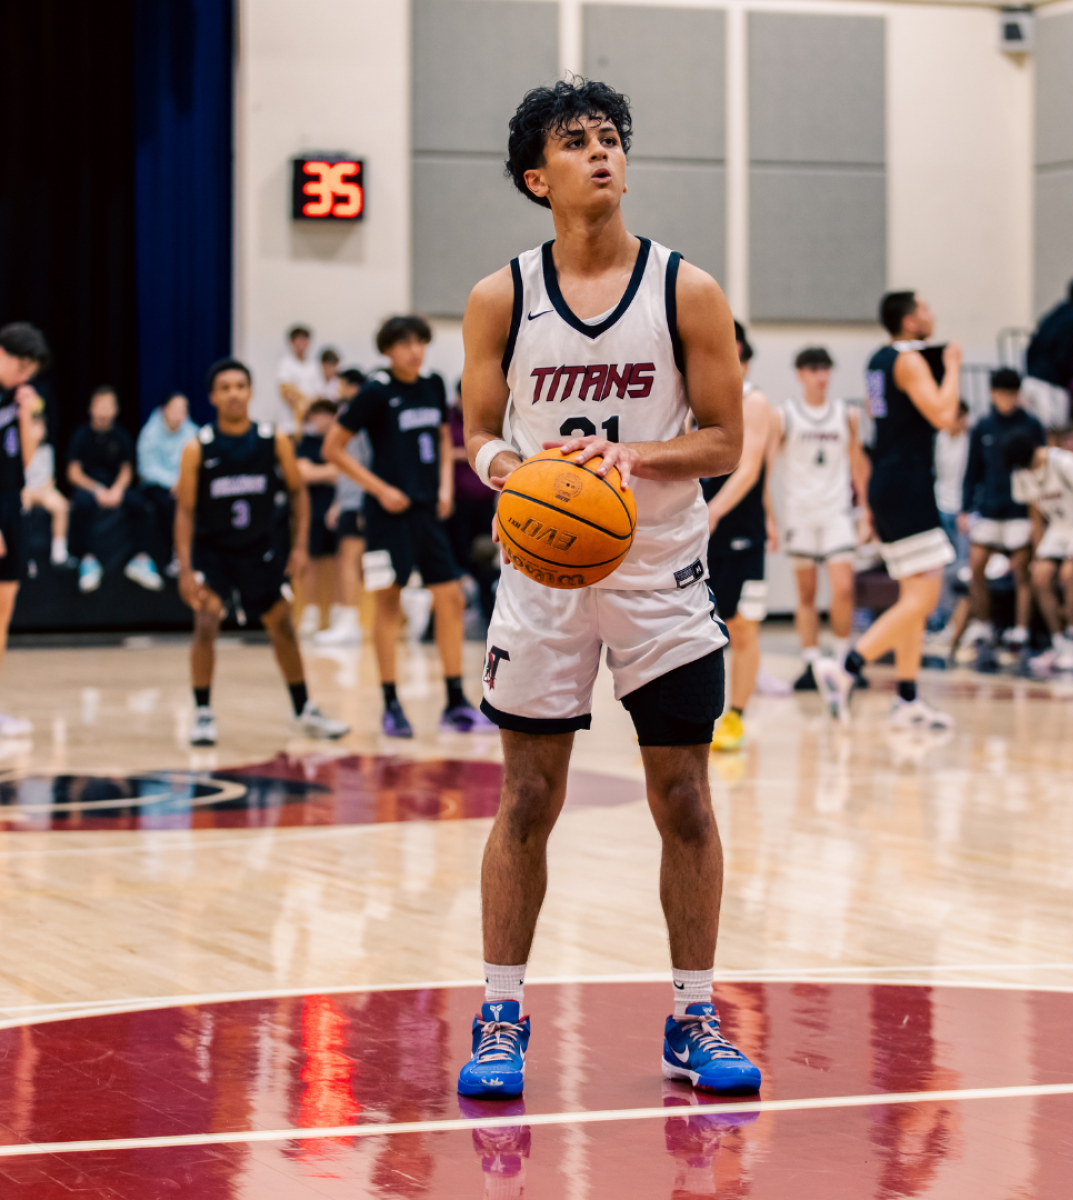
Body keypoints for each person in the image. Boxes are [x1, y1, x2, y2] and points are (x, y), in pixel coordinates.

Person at [457, 78, 760, 1098]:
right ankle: (500, 1015)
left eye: (612, 138)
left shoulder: (689, 291)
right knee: (528, 797)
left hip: (661, 579)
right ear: (537, 178)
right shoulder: (502, 296)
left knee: (683, 799)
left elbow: (726, 437)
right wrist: (519, 474)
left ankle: (693, 1015)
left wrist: (632, 462)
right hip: (541, 580)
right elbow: (480, 437)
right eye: (577, 142)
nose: (602, 153)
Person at [323, 315, 492, 736]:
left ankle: (454, 703)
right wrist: (379, 490)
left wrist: (446, 487)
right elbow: (334, 448)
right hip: (386, 517)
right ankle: (391, 705)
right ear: (387, 350)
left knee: (450, 598)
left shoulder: (433, 384)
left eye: (419, 341)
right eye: (403, 343)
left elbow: (439, 437)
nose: (413, 349)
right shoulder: (375, 392)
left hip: (425, 512)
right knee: (388, 605)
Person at [174, 358, 350, 746]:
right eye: (225, 387)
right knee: (205, 623)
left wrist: (300, 547)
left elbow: (298, 492)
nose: (234, 393)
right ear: (212, 397)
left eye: (240, 385)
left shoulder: (275, 440)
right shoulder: (197, 448)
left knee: (282, 625)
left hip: (262, 551)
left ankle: (304, 708)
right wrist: (185, 568)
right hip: (213, 552)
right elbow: (185, 510)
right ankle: (202, 713)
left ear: (251, 392)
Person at [814, 291, 960, 730]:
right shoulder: (910, 361)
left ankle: (907, 699)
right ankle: (845, 669)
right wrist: (952, 366)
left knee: (911, 595)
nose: (932, 314)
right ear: (910, 321)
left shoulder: (877, 360)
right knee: (924, 599)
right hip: (909, 483)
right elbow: (943, 416)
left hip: (890, 481)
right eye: (926, 309)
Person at [781, 346, 868, 691]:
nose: (821, 376)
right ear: (800, 374)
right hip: (800, 512)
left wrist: (868, 509)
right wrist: (770, 515)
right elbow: (767, 465)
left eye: (826, 369)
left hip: (836, 512)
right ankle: (811, 661)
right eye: (814, 369)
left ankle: (844, 658)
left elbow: (858, 462)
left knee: (844, 588)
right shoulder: (786, 414)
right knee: (807, 593)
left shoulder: (846, 414)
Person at [706, 321, 776, 753]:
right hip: (696, 528)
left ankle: (737, 716)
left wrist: (714, 511)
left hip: (737, 528)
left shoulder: (754, 402)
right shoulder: (695, 401)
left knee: (743, 627)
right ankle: (687, 718)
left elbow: (751, 469)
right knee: (692, 626)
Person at [958, 368, 1044, 653]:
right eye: (1001, 393)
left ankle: (1020, 630)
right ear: (993, 394)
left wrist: (1039, 516)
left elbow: (1041, 467)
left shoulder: (1031, 425)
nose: (1006, 399)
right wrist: (965, 507)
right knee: (975, 566)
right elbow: (972, 469)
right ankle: (982, 623)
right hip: (990, 507)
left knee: (1021, 570)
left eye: (1011, 394)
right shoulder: (983, 426)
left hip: (1021, 509)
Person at [1005, 431, 1073, 670]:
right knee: (1039, 575)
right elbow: (1035, 512)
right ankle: (1059, 641)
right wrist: (1037, 550)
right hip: (1058, 528)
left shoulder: (1064, 462)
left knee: (1068, 574)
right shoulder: (1021, 471)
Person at [0, 323, 50, 735]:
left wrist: (27, 415)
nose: (25, 375)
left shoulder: (19, 398)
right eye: (21, 364)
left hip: (11, 507)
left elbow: (26, 461)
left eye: (31, 369)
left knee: (4, 609)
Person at [66, 386, 162, 594]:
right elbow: (73, 472)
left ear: (116, 409)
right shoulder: (81, 435)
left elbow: (127, 470)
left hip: (115, 485)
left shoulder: (121, 435)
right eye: (100, 405)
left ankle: (141, 558)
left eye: (109, 405)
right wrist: (97, 489)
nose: (104, 410)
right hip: (90, 486)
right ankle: (87, 559)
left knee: (143, 506)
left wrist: (117, 489)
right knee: (79, 506)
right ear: (91, 408)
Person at [314, 368, 368, 647]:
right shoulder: (351, 422)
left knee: (351, 562)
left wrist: (361, 505)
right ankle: (346, 620)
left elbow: (365, 464)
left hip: (360, 502)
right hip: (349, 500)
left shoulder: (362, 424)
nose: (337, 392)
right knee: (347, 562)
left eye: (342, 386)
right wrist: (337, 502)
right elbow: (344, 470)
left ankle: (350, 623)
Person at [446, 377, 500, 625]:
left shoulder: (487, 416)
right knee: (457, 561)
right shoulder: (447, 421)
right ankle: (445, 619)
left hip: (485, 505)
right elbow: (444, 452)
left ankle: (487, 615)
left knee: (486, 560)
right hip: (457, 506)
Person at [136, 391, 198, 575]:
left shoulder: (191, 430)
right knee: (170, 504)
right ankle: (177, 554)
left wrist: (183, 482)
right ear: (164, 409)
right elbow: (147, 469)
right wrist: (172, 483)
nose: (182, 411)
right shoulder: (150, 432)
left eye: (184, 407)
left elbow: (198, 459)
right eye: (177, 407)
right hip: (157, 485)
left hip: (183, 482)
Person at [1022, 276, 1073, 428]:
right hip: (1051, 384)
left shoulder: (1053, 313)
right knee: (1055, 429)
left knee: (1036, 429)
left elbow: (1032, 347)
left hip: (1032, 378)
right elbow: (1066, 354)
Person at [295, 400, 341, 638]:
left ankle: (336, 616)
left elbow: (343, 472)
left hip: (338, 508)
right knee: (310, 563)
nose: (321, 420)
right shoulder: (307, 443)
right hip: (312, 510)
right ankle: (310, 613)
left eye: (326, 414)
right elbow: (302, 473)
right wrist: (331, 472)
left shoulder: (341, 441)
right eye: (316, 415)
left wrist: (321, 473)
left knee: (340, 562)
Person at [930, 400, 970, 636]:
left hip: (962, 511)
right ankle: (939, 617)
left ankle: (959, 620)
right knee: (939, 567)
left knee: (962, 567)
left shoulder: (972, 441)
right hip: (940, 506)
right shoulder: (938, 440)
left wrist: (968, 508)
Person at [21, 413, 69, 565]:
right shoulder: (19, 451)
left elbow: (50, 478)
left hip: (44, 491)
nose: (40, 430)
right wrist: (30, 492)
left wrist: (44, 492)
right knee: (21, 505)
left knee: (62, 505)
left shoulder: (47, 449)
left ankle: (59, 551)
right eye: (35, 426)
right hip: (26, 492)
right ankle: (24, 554)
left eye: (42, 426)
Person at [274, 325, 322, 433]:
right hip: (290, 422)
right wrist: (303, 404)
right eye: (298, 340)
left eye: (304, 340)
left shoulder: (314, 365)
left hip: (311, 422)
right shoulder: (286, 363)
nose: (302, 344)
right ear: (291, 342)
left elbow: (319, 392)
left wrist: (310, 404)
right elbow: (286, 390)